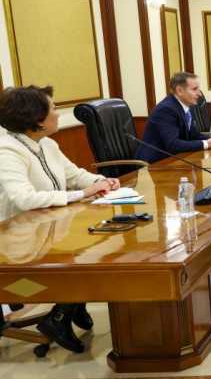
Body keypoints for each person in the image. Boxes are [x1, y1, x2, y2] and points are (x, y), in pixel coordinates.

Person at [0, 85, 121, 353]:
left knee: (93, 249)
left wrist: (102, 181)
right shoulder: (7, 151)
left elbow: (74, 175)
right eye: (53, 109)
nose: (58, 114)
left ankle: (70, 308)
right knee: (82, 259)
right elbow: (24, 199)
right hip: (14, 240)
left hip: (46, 229)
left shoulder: (47, 143)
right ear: (36, 119)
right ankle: (60, 316)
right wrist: (82, 194)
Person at [136, 72, 211, 164]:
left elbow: (193, 135)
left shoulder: (186, 106)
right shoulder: (166, 110)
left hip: (174, 160)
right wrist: (207, 144)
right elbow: (173, 145)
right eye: (194, 89)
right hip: (154, 164)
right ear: (179, 91)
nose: (200, 94)